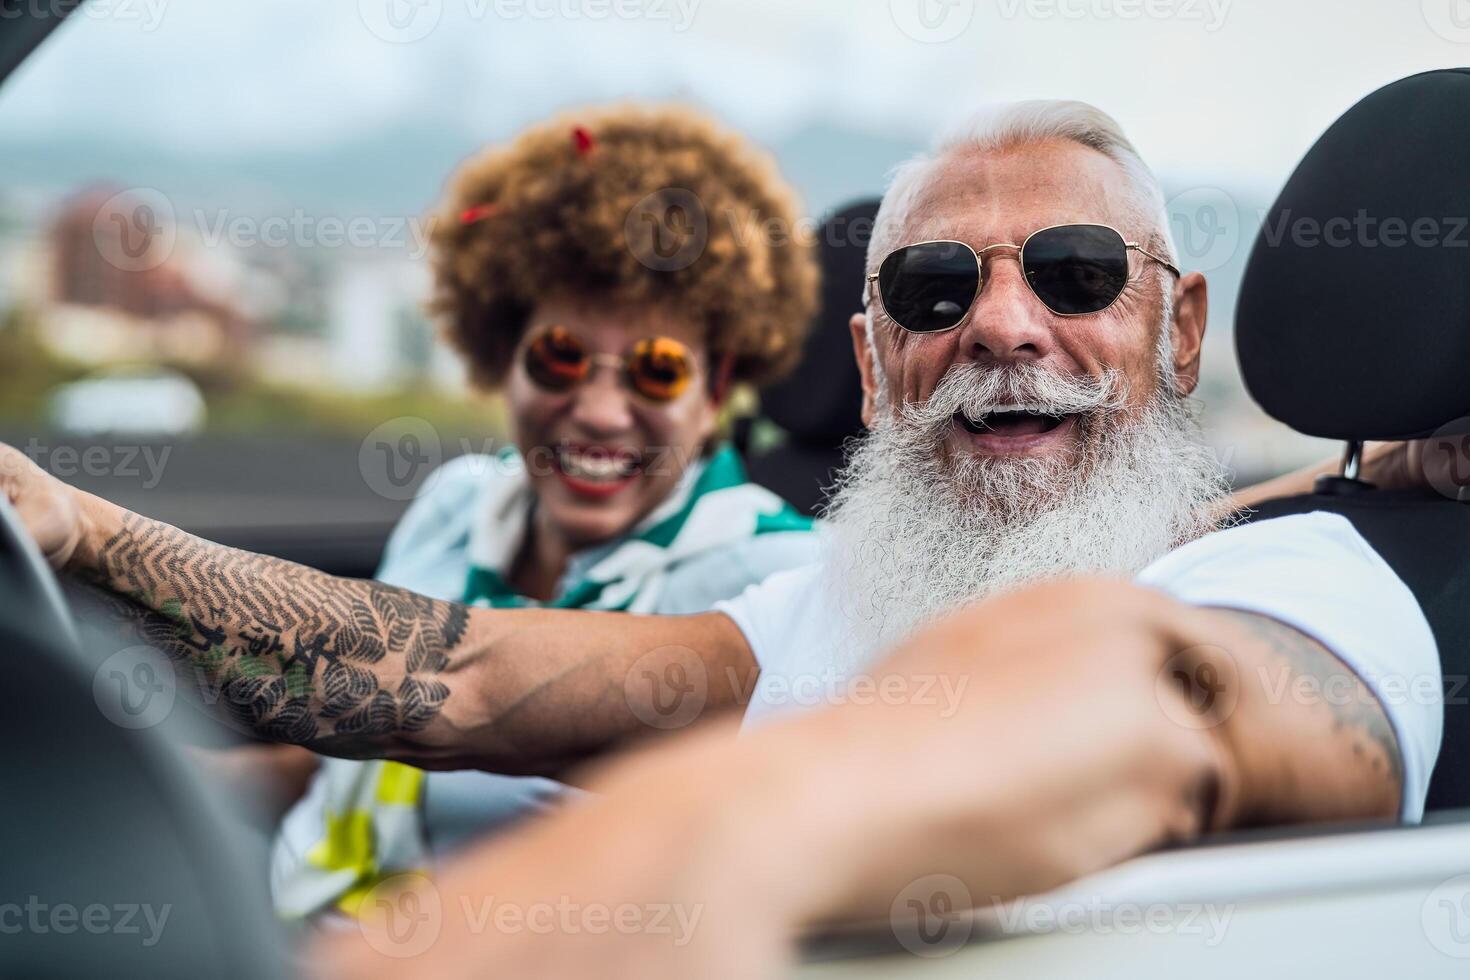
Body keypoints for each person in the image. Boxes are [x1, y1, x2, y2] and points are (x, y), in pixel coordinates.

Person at [0, 100, 1448, 978]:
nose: (1004, 324)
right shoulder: (815, 597)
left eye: (1075, 274)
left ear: (1176, 329)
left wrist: (697, 851)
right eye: (933, 289)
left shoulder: (1296, 576)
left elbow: (1166, 697)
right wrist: (75, 529)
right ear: (874, 363)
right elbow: (479, 676)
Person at [268, 103, 823, 918]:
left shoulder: (775, 582)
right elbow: (339, 769)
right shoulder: (454, 504)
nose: (599, 411)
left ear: (713, 391)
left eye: (657, 370)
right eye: (560, 356)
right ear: (504, 358)